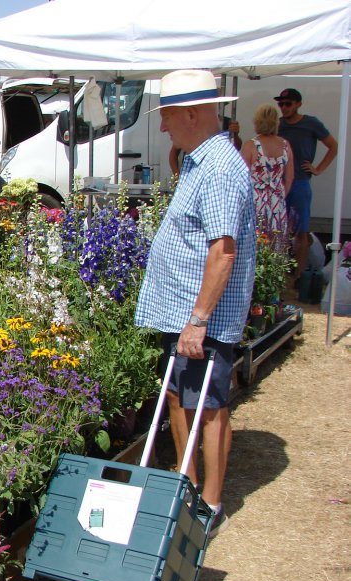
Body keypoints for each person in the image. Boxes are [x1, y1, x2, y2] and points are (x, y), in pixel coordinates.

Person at [135, 69, 256, 539]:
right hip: (181, 311)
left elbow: (223, 251)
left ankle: (209, 504)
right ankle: (186, 486)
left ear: (190, 112)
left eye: (166, 116)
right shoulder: (199, 162)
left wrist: (198, 321)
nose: (162, 126)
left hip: (200, 316)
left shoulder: (222, 168)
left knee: (207, 405)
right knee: (178, 398)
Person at [275, 88, 339, 279]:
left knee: (301, 232)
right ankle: (280, 273)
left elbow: (333, 146)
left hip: (301, 182)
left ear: (298, 104)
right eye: (281, 104)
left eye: (288, 104)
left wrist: (318, 168)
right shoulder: (278, 125)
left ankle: (299, 276)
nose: (284, 108)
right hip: (279, 183)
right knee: (280, 231)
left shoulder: (311, 123)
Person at [240, 103, 294, 251]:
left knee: (254, 243)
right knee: (275, 244)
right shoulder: (285, 145)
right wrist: (279, 195)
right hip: (277, 200)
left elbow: (240, 177)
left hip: (255, 199)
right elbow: (289, 178)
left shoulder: (251, 145)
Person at [168, 116, 241, 175]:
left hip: (218, 170)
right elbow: (173, 153)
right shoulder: (193, 123)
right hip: (193, 172)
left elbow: (237, 147)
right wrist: (177, 177)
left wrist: (235, 134)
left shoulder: (228, 122)